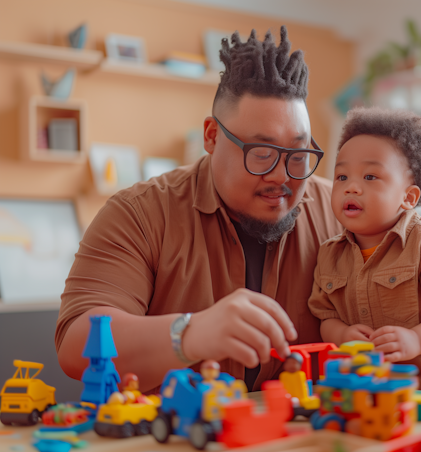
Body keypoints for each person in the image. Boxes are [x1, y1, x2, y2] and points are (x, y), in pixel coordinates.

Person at [55, 26, 342, 393]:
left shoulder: (341, 214)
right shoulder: (138, 214)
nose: (281, 176)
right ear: (211, 136)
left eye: (298, 155)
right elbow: (76, 345)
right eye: (261, 153)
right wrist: (189, 334)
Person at [308, 107, 421, 392]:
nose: (351, 187)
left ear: (408, 197)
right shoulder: (329, 255)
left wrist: (418, 339)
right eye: (342, 177)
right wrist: (342, 333)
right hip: (384, 382)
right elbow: (325, 316)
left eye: (370, 177)